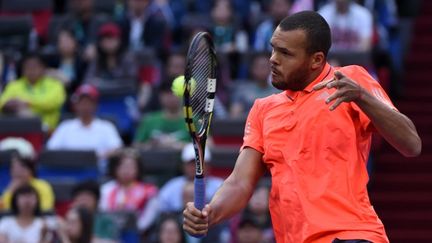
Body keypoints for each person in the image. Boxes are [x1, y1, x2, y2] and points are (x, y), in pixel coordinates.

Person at [183, 11, 421, 243]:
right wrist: (211, 213)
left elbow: (411, 143)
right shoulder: (263, 110)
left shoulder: (349, 81)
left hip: (350, 234)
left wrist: (362, 97)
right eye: (273, 48)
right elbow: (240, 182)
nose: (273, 59)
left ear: (316, 60)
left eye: (285, 53)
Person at [47, 84, 123, 171]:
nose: (85, 106)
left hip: (98, 172)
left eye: (89, 102)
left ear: (95, 105)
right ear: (75, 105)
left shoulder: (106, 127)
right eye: (82, 103)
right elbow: (51, 150)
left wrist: (96, 157)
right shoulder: (65, 126)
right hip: (68, 170)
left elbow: (118, 149)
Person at [0, 53, 66, 131]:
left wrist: (27, 102)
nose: (31, 70)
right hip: (17, 130)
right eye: (27, 67)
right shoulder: (14, 85)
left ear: (43, 68)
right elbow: (2, 102)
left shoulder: (55, 85)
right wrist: (8, 105)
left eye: (35, 67)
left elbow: (51, 103)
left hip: (47, 131)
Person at [99, 148, 159, 233]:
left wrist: (135, 229)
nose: (126, 170)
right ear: (115, 168)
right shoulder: (106, 189)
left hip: (138, 234)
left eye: (131, 167)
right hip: (110, 233)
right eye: (123, 166)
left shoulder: (149, 191)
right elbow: (103, 213)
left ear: (138, 169)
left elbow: (147, 219)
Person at [134, 80, 189, 149]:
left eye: (174, 93)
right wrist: (151, 145)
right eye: (167, 93)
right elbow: (136, 145)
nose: (171, 97)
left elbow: (205, 144)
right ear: (160, 96)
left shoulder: (193, 120)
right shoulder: (149, 120)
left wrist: (180, 145)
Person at [84, 22, 138, 92]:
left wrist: (104, 83)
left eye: (111, 38)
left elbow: (132, 82)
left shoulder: (128, 58)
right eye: (105, 39)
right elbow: (87, 81)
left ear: (119, 40)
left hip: (123, 95)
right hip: (101, 97)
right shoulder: (97, 58)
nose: (108, 43)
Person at [230, 52, 277, 118]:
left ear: (271, 69)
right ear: (253, 69)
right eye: (259, 67)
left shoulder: (278, 92)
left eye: (265, 67)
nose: (262, 70)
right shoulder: (242, 91)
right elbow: (235, 115)